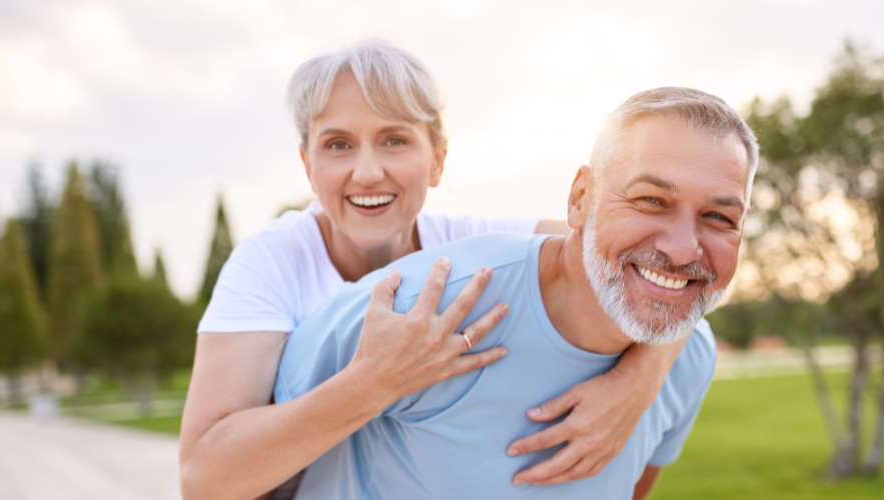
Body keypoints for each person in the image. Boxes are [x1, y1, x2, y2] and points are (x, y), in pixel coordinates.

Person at [179, 41, 691, 500]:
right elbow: (203, 479)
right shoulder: (270, 261)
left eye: (395, 140)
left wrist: (638, 381)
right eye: (338, 145)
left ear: (438, 159)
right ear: (308, 165)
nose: (367, 171)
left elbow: (646, 264)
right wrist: (374, 384)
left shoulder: (476, 240)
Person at [275, 86, 758, 499]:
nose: (681, 250)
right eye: (651, 201)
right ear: (579, 199)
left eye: (719, 217)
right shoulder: (414, 309)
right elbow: (231, 475)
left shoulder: (687, 360)